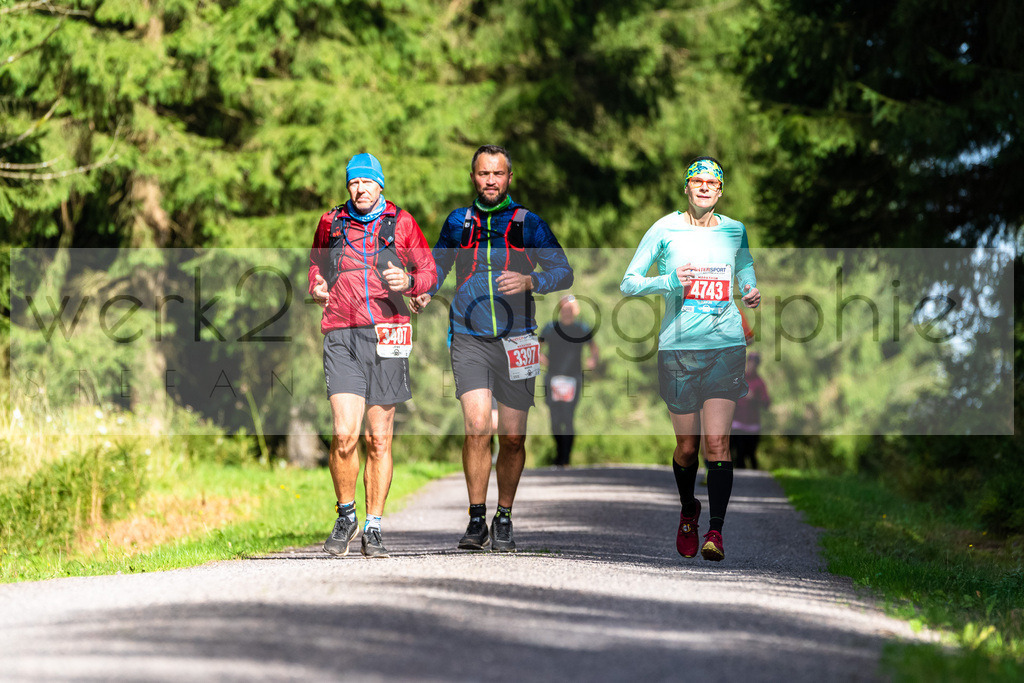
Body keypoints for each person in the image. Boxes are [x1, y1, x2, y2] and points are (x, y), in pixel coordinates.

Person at [410, 144, 573, 552]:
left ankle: (504, 516)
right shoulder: (458, 222)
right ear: (473, 177)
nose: (490, 181)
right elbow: (437, 267)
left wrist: (531, 282)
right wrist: (424, 291)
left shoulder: (527, 223)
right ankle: (476, 517)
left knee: (513, 437)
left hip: (519, 338)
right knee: (478, 426)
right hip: (468, 336)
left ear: (509, 179)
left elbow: (563, 270)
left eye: (497, 174)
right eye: (483, 174)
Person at [620, 155, 760, 562]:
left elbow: (745, 265)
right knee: (687, 447)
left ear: (720, 190)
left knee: (718, 443)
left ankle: (715, 531)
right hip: (678, 349)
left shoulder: (735, 230)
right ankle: (689, 509)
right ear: (686, 188)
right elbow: (628, 283)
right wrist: (668, 280)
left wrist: (749, 289)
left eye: (711, 183)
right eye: (697, 182)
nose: (704, 188)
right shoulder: (665, 228)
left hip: (726, 345)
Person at [308, 152, 436, 558]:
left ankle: (374, 526)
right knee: (345, 434)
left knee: (378, 438)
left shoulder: (402, 223)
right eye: (353, 183)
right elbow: (315, 264)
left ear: (380, 185)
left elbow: (428, 271)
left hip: (388, 332)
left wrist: (411, 281)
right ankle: (346, 515)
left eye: (367, 182)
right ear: (348, 187)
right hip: (341, 332)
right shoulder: (331, 222)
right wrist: (316, 285)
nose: (360, 189)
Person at [539, 294, 598, 467]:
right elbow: (538, 347)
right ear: (559, 310)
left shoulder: (582, 329)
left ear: (576, 311)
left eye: (570, 309)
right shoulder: (550, 328)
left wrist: (593, 360)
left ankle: (565, 459)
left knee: (568, 417)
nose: (567, 312)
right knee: (555, 420)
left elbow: (594, 348)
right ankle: (559, 454)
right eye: (564, 309)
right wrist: (542, 358)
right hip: (553, 378)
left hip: (574, 379)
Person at [731, 351, 770, 469]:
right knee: (738, 453)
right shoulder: (738, 379)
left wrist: (754, 398)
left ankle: (755, 481)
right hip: (737, 423)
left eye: (754, 363)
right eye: (750, 362)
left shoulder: (760, 382)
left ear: (757, 365)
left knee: (750, 454)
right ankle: (737, 481)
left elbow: (766, 403)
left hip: (752, 425)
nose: (751, 365)